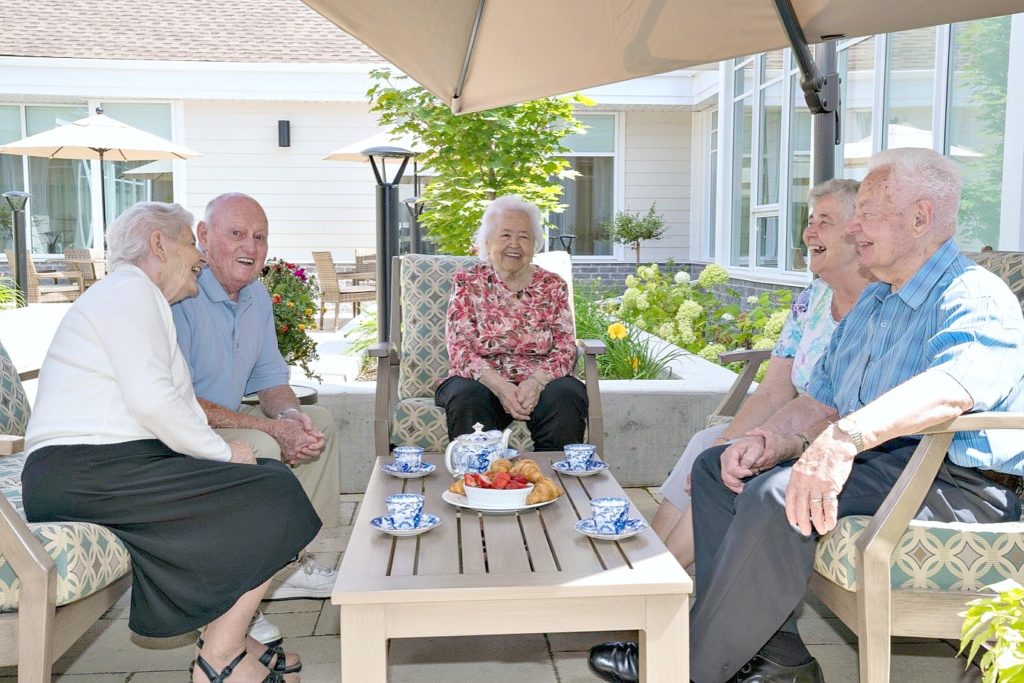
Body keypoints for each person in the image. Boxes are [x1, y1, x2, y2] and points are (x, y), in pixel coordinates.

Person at [591, 148, 1024, 683]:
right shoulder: (876, 303)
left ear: (920, 216)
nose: (855, 226)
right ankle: (778, 658)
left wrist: (841, 441)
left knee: (779, 496)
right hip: (884, 465)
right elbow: (819, 402)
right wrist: (769, 439)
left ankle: (686, 667)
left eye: (868, 211)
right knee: (719, 466)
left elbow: (954, 386)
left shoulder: (974, 295)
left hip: (957, 485)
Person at [22, 202, 318, 682]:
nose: (198, 257)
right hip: (85, 470)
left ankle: (229, 641)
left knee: (265, 485)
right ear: (159, 244)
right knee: (273, 493)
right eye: (190, 244)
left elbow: (170, 403)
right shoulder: (128, 291)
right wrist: (225, 452)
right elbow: (153, 400)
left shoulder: (142, 299)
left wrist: (228, 454)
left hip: (110, 466)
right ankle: (220, 659)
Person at [650, 179, 870, 573]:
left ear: (859, 232)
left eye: (824, 221)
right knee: (707, 445)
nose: (808, 232)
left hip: (841, 441)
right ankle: (648, 572)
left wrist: (744, 447)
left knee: (720, 461)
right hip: (797, 420)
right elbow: (773, 392)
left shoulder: (883, 307)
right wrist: (724, 441)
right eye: (809, 220)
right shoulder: (813, 298)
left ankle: (657, 582)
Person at [171, 192, 339, 644]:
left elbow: (269, 377)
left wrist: (288, 416)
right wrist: (270, 428)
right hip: (180, 429)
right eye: (237, 233)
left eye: (260, 237)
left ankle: (288, 562)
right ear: (204, 236)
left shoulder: (256, 292)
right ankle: (237, 594)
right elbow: (177, 400)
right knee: (263, 447)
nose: (251, 246)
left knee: (316, 423)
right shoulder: (180, 290)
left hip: (227, 417)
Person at [435, 195, 588, 450]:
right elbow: (459, 348)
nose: (514, 244)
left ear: (535, 244)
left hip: (541, 382)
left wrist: (536, 382)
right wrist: (501, 386)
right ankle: (480, 480)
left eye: (524, 237)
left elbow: (565, 347)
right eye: (505, 235)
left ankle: (553, 479)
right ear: (487, 241)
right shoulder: (468, 281)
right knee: (466, 396)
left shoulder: (552, 285)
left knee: (566, 394)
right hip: (482, 380)